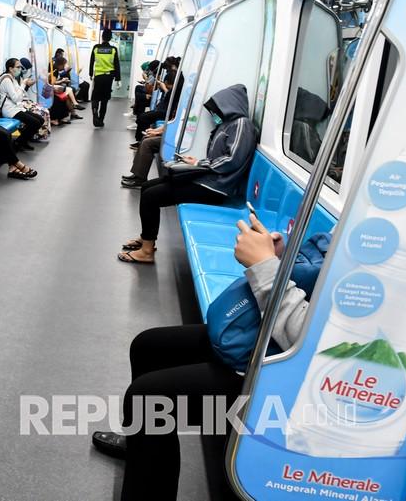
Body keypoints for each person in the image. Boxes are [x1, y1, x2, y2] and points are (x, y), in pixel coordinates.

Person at [93, 213, 318, 500]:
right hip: (274, 338)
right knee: (148, 347)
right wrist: (278, 258)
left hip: (297, 375)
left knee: (147, 397)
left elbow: (310, 340)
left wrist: (264, 267)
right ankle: (143, 447)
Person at [118, 84, 257, 264]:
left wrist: (199, 163)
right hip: (208, 179)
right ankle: (147, 239)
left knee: (152, 196)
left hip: (216, 187)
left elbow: (232, 160)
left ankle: (146, 251)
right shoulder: (227, 125)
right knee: (147, 187)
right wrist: (195, 163)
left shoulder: (241, 125)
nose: (215, 113)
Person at [0, 58, 45, 151]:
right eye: (18, 67)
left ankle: (23, 141)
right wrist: (23, 84)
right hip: (10, 110)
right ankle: (19, 142)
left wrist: (24, 86)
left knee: (40, 119)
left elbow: (19, 94)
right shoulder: (7, 80)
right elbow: (16, 98)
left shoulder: (13, 79)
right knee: (34, 122)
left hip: (16, 108)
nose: (20, 69)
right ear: (10, 68)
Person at [89, 28, 121, 127]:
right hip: (108, 78)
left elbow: (91, 62)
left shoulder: (96, 48)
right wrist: (118, 79)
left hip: (98, 76)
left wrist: (90, 74)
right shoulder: (113, 50)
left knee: (95, 97)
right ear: (111, 38)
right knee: (104, 99)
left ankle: (95, 114)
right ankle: (101, 120)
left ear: (102, 37)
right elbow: (117, 65)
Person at [121, 123, 164, 189]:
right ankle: (137, 174)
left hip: (174, 139)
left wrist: (157, 133)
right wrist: (155, 130)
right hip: (169, 134)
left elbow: (175, 128)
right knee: (145, 138)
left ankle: (141, 179)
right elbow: (168, 124)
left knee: (147, 143)